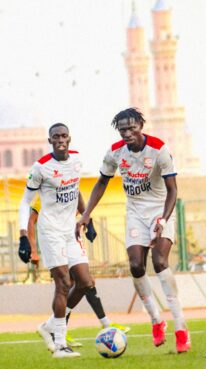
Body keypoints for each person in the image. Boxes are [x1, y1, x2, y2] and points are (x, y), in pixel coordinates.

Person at [77, 108, 191, 353]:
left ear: (141, 125)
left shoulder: (159, 149)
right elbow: (102, 182)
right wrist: (86, 214)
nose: (127, 133)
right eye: (122, 130)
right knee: (136, 265)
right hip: (136, 214)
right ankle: (156, 320)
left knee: (160, 262)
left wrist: (163, 219)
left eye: (131, 128)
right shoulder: (115, 152)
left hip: (161, 210)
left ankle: (181, 327)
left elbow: (173, 189)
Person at [18, 123, 110, 358]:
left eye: (64, 136)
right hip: (50, 231)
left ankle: (49, 326)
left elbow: (75, 190)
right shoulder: (40, 167)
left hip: (71, 230)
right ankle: (60, 344)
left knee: (85, 282)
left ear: (69, 139)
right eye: (55, 137)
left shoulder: (77, 160)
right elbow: (25, 202)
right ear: (49, 141)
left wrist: (87, 218)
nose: (60, 139)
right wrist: (23, 236)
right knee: (63, 282)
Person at [28, 193, 130, 349]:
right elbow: (31, 220)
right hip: (54, 239)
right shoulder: (44, 192)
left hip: (72, 235)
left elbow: (78, 199)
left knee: (85, 282)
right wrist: (33, 250)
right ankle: (60, 332)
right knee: (66, 284)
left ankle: (52, 325)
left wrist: (89, 222)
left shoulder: (71, 184)